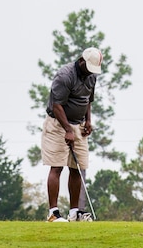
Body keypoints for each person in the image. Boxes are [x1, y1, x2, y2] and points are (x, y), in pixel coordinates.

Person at [41, 47, 103, 222]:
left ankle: (75, 213)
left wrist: (88, 121)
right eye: (89, 68)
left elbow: (87, 100)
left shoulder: (91, 76)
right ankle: (53, 213)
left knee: (78, 167)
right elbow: (56, 105)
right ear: (81, 61)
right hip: (58, 124)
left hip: (79, 125)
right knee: (57, 166)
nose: (91, 72)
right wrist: (68, 130)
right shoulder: (65, 75)